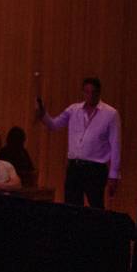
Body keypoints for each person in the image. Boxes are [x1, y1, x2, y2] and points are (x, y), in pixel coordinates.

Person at [34, 75, 120, 209]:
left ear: (99, 92)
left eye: (93, 92)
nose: (90, 95)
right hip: (75, 167)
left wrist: (114, 175)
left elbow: (115, 145)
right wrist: (43, 114)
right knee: (72, 207)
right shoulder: (74, 110)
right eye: (87, 92)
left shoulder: (111, 114)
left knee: (96, 207)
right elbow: (54, 125)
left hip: (95, 169)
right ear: (83, 92)